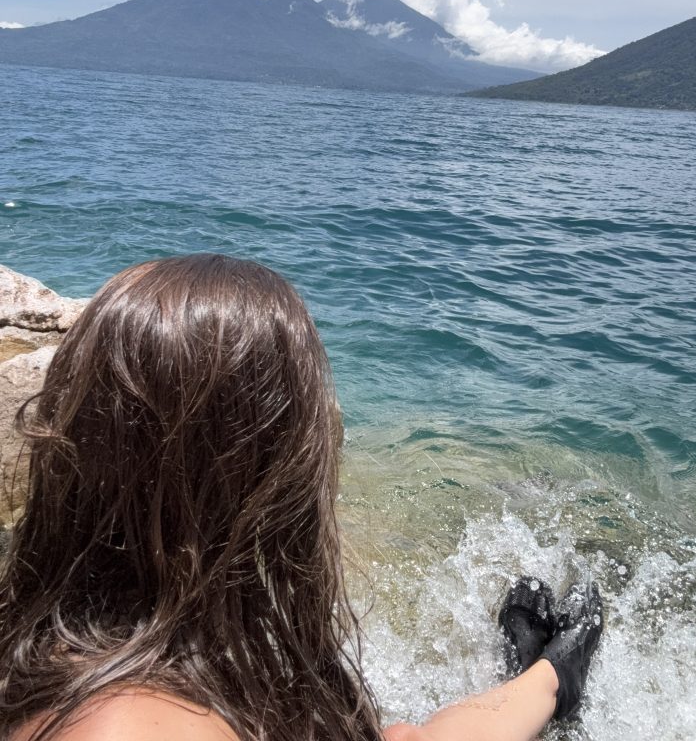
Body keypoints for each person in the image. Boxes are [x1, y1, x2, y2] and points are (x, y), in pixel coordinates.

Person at [0, 255, 602, 741]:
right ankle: (552, 678)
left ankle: (545, 677)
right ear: (271, 474)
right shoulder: (130, 725)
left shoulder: (74, 643)